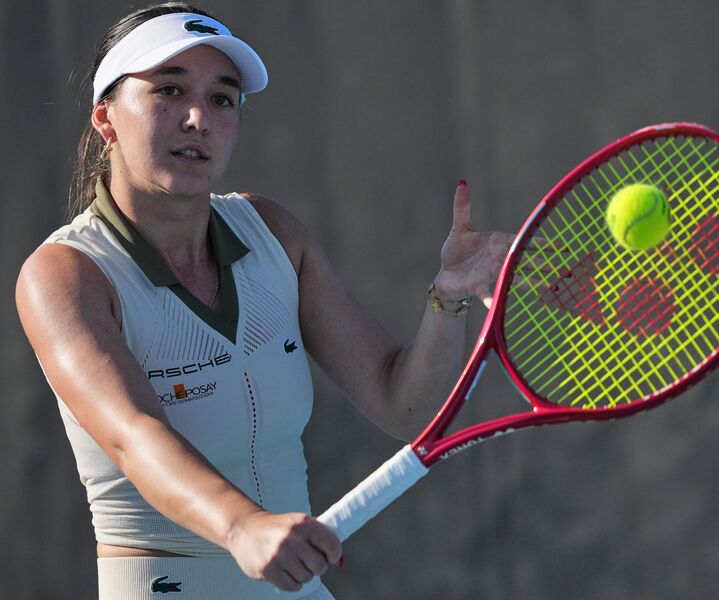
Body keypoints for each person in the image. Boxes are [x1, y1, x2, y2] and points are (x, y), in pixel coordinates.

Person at [16, 3, 513, 599]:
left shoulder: (271, 232)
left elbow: (403, 407)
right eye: (170, 90)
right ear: (107, 120)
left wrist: (447, 301)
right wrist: (243, 526)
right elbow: (133, 434)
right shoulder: (65, 274)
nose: (198, 117)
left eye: (223, 99)